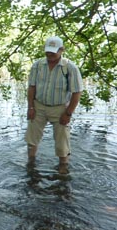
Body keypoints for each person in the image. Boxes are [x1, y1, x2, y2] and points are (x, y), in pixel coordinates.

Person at [25, 36, 83, 174]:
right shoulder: (38, 65)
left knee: (62, 141)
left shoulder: (70, 68)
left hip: (60, 108)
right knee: (31, 139)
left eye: (53, 52)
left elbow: (77, 93)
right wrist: (31, 107)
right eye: (47, 51)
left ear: (61, 50)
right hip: (38, 105)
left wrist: (68, 113)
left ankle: (63, 169)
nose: (50, 55)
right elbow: (31, 87)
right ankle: (30, 164)